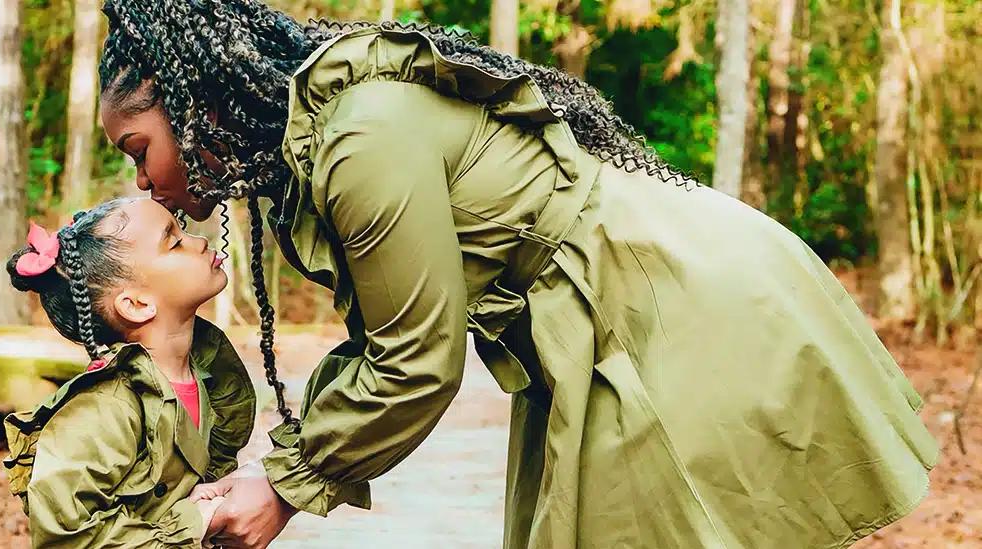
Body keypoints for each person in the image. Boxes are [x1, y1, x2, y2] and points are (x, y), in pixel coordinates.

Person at [96, 2, 939, 547]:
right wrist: (280, 464)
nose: (143, 181)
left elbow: (414, 360)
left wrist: (281, 489)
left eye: (140, 151)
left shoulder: (359, 139)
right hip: (599, 325)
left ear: (196, 104)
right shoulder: (324, 141)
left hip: (667, 308)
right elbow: (387, 340)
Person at [1, 198, 255, 547]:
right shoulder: (105, 409)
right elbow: (67, 538)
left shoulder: (209, 375)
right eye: (175, 241)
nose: (199, 242)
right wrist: (196, 522)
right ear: (136, 305)